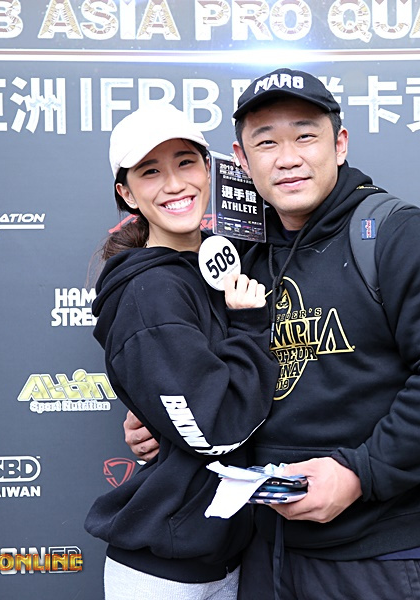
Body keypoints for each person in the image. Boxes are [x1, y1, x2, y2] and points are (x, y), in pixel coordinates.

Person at [125, 68, 420, 599]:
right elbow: (215, 373)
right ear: (242, 159)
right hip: (261, 549)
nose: (287, 158)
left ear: (339, 144)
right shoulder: (239, 256)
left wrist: (359, 474)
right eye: (266, 142)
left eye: (305, 136)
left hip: (379, 555)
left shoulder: (404, 234)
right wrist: (163, 416)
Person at [86, 103, 278, 600]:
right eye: (151, 171)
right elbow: (215, 428)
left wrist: (156, 413)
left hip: (229, 556)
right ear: (127, 194)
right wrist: (250, 324)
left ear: (208, 169)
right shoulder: (150, 290)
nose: (175, 184)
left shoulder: (222, 260)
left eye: (186, 162)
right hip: (165, 571)